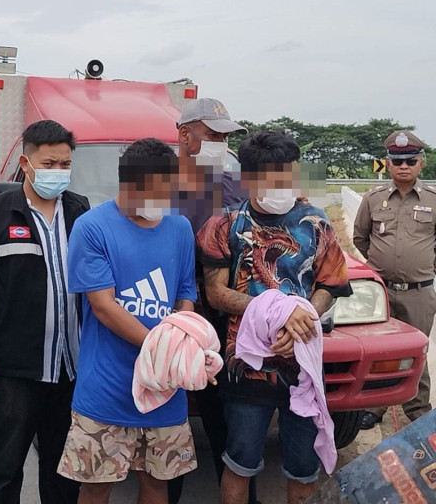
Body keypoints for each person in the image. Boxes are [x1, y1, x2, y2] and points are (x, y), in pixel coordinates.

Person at [197, 131, 352, 504]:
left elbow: (331, 284)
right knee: (240, 462)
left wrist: (303, 318)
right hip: (247, 368)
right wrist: (277, 315)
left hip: (303, 366)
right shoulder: (224, 225)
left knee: (303, 467)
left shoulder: (316, 223)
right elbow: (216, 292)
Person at [57, 138, 199, 504]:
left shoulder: (180, 228)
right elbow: (103, 306)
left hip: (165, 390)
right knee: (96, 485)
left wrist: (183, 340)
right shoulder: (92, 227)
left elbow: (185, 291)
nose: (162, 200)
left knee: (156, 482)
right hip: (107, 390)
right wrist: (165, 348)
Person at [0, 119, 87, 504]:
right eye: (49, 164)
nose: (58, 172)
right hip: (12, 372)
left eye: (65, 164)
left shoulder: (79, 211)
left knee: (64, 474)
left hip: (69, 370)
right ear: (26, 164)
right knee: (3, 470)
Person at [168, 98, 256, 504]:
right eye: (214, 135)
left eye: (225, 138)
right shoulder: (159, 185)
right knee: (167, 415)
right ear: (185, 135)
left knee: (229, 417)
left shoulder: (237, 184)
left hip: (228, 321)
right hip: (174, 318)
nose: (221, 145)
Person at [353, 130, 436, 430]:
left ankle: (417, 408)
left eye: (410, 161)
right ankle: (374, 406)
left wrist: (422, 266)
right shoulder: (373, 198)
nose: (404, 166)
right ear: (388, 163)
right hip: (381, 291)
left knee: (417, 350)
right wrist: (382, 265)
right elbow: (360, 238)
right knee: (379, 350)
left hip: (419, 292)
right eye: (397, 161)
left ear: (421, 163)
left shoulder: (433, 200)